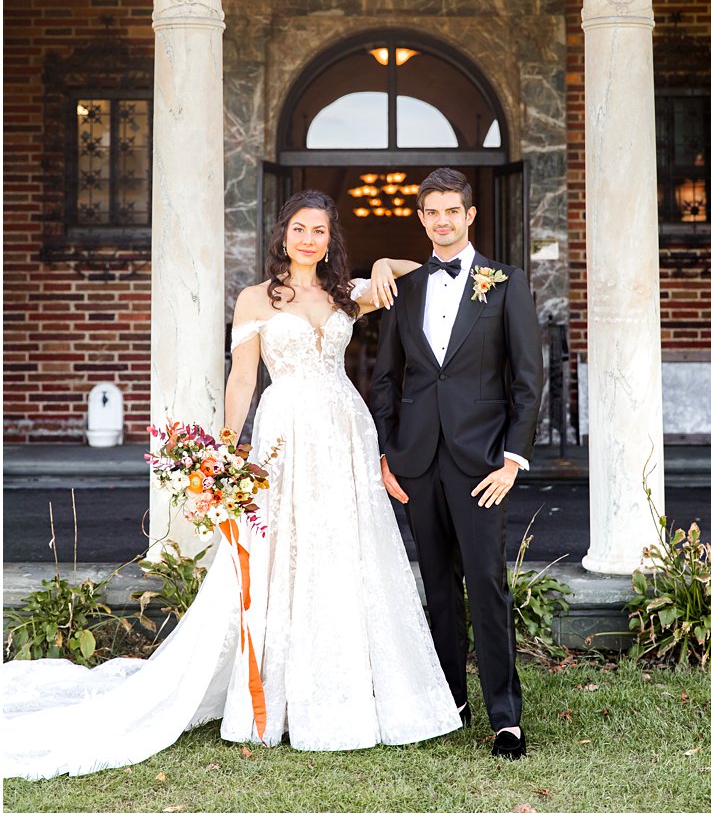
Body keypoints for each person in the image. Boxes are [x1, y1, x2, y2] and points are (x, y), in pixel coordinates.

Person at [2, 190, 461, 780]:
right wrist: (224, 450)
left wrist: (379, 267)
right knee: (283, 551)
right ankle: (280, 694)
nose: (308, 240)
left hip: (345, 430)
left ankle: (345, 695)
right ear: (283, 234)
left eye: (320, 231)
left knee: (346, 551)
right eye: (300, 229)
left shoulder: (345, 293)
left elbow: (429, 269)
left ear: (330, 240)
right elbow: (243, 379)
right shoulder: (256, 298)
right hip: (284, 433)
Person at [368, 167, 542, 761]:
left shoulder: (506, 283)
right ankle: (448, 701)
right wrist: (389, 452)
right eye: (432, 212)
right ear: (422, 219)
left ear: (470, 216)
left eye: (452, 211)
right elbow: (386, 378)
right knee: (437, 588)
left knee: (486, 585)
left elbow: (526, 381)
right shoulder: (405, 290)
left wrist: (512, 460)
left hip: (480, 464)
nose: (442, 220)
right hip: (416, 459)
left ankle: (505, 717)